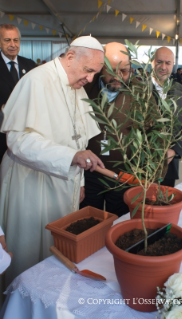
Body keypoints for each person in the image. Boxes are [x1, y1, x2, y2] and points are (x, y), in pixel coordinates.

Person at [0, 35, 105, 285]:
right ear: (70, 57)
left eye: (94, 73)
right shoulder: (36, 80)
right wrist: (72, 157)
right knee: (29, 252)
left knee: (56, 249)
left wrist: (79, 181)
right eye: (88, 70)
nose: (90, 79)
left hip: (63, 182)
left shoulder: (76, 85)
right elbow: (18, 141)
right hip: (29, 184)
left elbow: (78, 139)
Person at [80, 42, 132, 217]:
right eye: (112, 71)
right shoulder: (84, 88)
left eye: (124, 71)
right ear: (101, 67)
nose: (118, 77)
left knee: (119, 222)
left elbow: (154, 129)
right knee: (88, 220)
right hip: (89, 174)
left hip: (123, 175)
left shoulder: (140, 93)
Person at [151, 47, 182, 187]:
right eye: (159, 62)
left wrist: (174, 151)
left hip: (169, 165)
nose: (163, 67)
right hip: (142, 164)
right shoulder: (139, 88)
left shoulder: (180, 90)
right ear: (152, 62)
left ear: (173, 65)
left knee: (166, 203)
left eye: (168, 63)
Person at [0, 24, 37, 162]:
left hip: (26, 130)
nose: (12, 44)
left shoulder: (30, 65)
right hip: (2, 130)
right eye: (7, 40)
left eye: (16, 40)